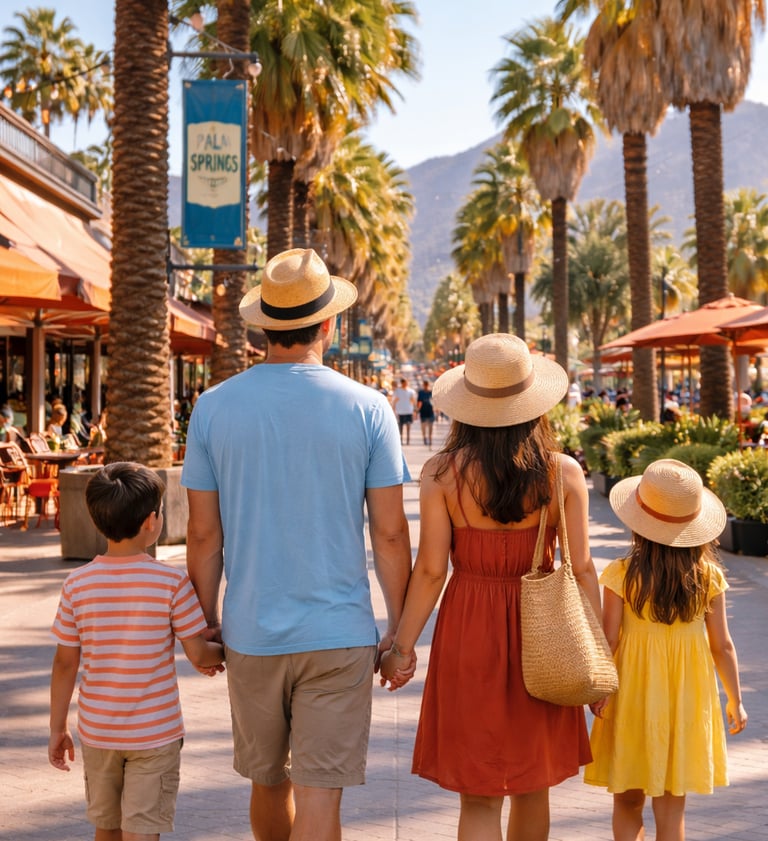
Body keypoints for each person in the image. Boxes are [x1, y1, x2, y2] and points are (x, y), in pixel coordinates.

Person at [181, 248, 412, 841]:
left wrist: (202, 625)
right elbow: (389, 533)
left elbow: (204, 534)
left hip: (252, 633)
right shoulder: (370, 409)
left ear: (262, 327)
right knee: (319, 798)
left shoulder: (212, 407)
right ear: (329, 324)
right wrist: (398, 631)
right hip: (339, 634)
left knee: (267, 784)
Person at [380, 333, 601, 841]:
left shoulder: (442, 473)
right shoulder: (562, 473)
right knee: (534, 786)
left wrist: (402, 648)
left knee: (478, 796)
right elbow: (583, 568)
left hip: (469, 629)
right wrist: (599, 655)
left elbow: (431, 571)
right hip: (543, 633)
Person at [48, 462, 225, 841]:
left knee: (106, 826)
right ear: (151, 521)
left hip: (98, 733)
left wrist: (57, 728)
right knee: (142, 830)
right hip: (156, 735)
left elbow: (64, 664)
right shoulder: (171, 581)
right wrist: (226, 651)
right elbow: (199, 654)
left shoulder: (77, 584)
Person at [584, 458, 748, 841]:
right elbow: (722, 645)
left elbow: (610, 639)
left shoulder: (622, 574)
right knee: (672, 810)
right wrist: (735, 699)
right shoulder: (708, 577)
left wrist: (599, 688)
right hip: (685, 699)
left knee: (627, 801)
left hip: (632, 695)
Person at [391, 376, 417, 444]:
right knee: (401, 427)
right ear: (402, 383)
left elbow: (413, 401)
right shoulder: (397, 391)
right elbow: (394, 401)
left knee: (408, 426)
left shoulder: (411, 391)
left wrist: (414, 410)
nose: (406, 384)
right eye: (405, 383)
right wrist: (393, 409)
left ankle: (408, 440)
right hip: (400, 412)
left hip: (409, 411)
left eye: (406, 382)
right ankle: (401, 440)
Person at [417, 379, 435, 448]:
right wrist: (417, 410)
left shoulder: (432, 393)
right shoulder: (421, 393)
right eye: (425, 385)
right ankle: (424, 437)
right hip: (423, 413)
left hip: (430, 413)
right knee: (423, 428)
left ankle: (430, 440)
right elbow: (419, 402)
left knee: (430, 428)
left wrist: (436, 410)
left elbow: (434, 402)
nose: (426, 386)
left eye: (427, 385)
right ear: (423, 385)